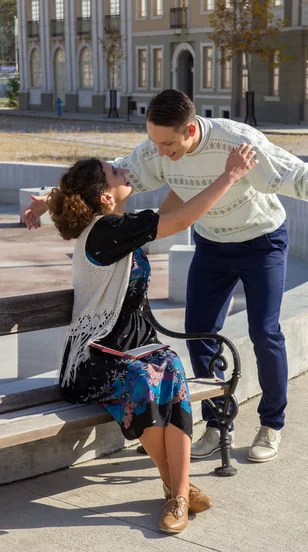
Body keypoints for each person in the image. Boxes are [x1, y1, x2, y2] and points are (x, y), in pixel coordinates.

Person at [24, 89, 308, 465]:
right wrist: (50, 199)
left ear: (189, 128)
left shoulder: (238, 144)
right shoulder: (158, 147)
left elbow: (300, 176)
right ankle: (217, 423)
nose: (160, 152)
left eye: (168, 143)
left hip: (261, 241)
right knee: (199, 330)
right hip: (213, 245)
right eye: (154, 142)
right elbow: (104, 181)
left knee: (264, 332)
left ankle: (271, 423)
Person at [41, 146, 258, 535]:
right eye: (113, 173)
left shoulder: (119, 225)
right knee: (144, 377)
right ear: (105, 196)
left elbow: (174, 205)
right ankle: (179, 492)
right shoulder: (106, 231)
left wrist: (184, 163)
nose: (124, 172)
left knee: (170, 367)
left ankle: (176, 493)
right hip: (93, 358)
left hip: (132, 348)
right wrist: (231, 176)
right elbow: (182, 219)